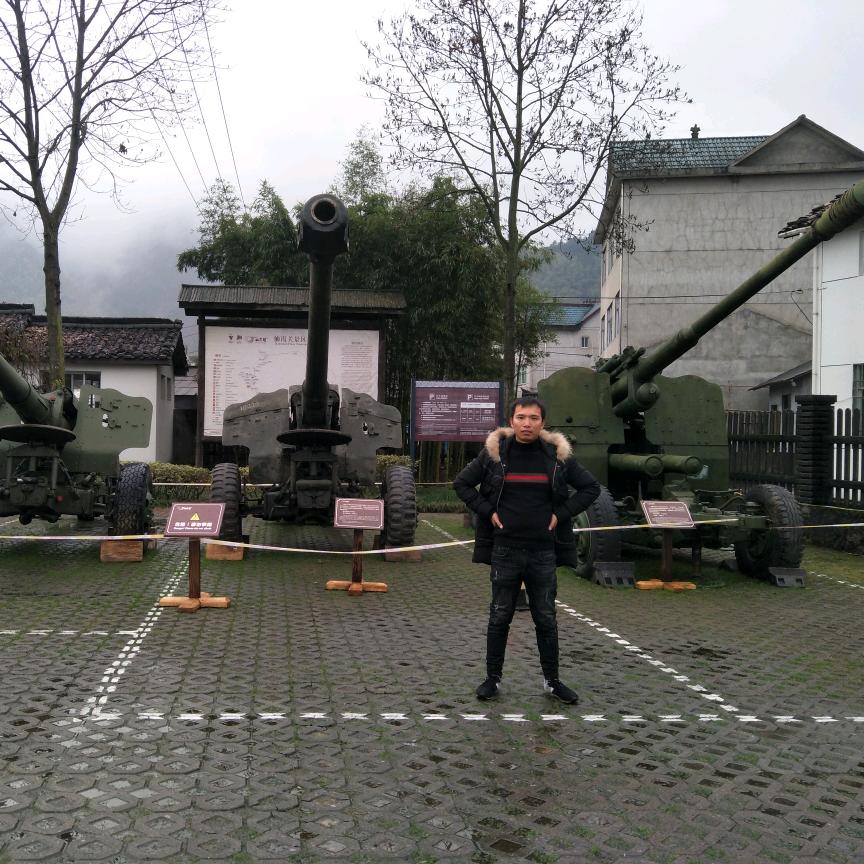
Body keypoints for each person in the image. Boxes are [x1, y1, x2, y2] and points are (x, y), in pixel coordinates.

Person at [454, 396, 600, 703]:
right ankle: (492, 679)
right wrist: (487, 512)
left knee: (545, 618)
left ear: (543, 423)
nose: (527, 424)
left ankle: (553, 682)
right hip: (505, 550)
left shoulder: (556, 456)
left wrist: (561, 514)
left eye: (534, 418)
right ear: (511, 420)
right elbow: (462, 484)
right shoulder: (495, 454)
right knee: (500, 616)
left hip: (543, 552)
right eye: (521, 417)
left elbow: (591, 488)